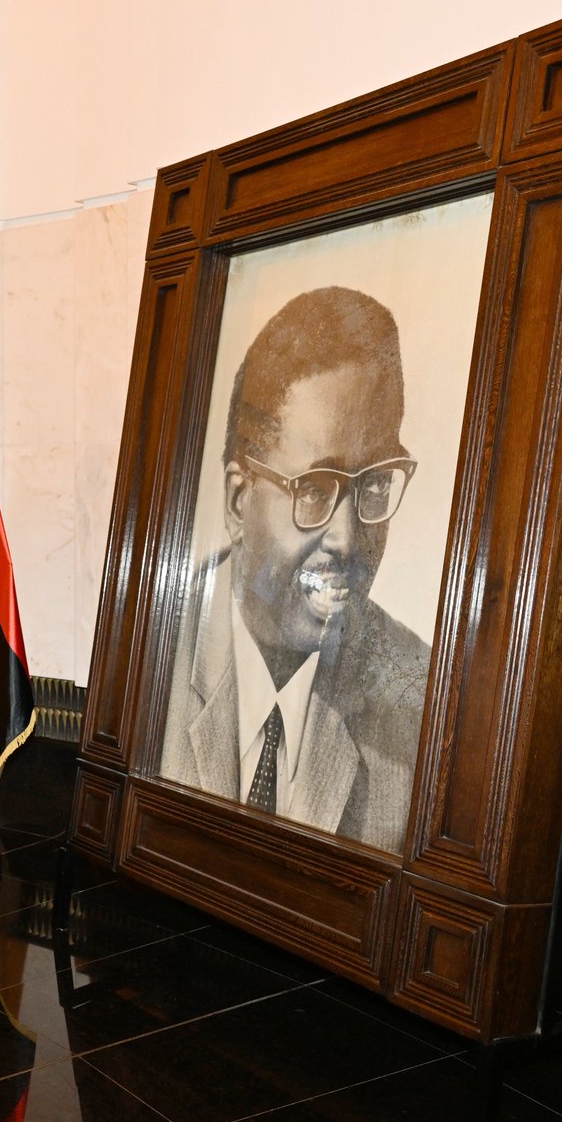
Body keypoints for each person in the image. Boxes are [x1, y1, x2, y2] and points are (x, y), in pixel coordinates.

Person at [159, 287, 430, 854]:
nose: (349, 538)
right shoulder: (150, 658)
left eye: (373, 485)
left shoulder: (421, 701)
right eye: (314, 489)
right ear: (239, 500)